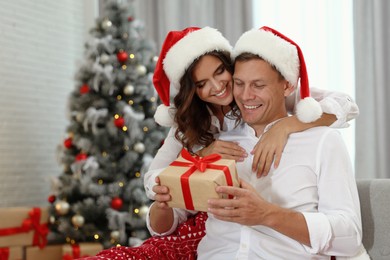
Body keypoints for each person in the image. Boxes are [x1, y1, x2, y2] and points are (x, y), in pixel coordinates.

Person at [84, 27, 360, 260]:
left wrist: (266, 214)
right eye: (239, 83)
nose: (244, 95)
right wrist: (168, 196)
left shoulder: (322, 139)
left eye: (258, 85)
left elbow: (349, 235)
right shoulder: (216, 140)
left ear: (287, 87)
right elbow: (168, 215)